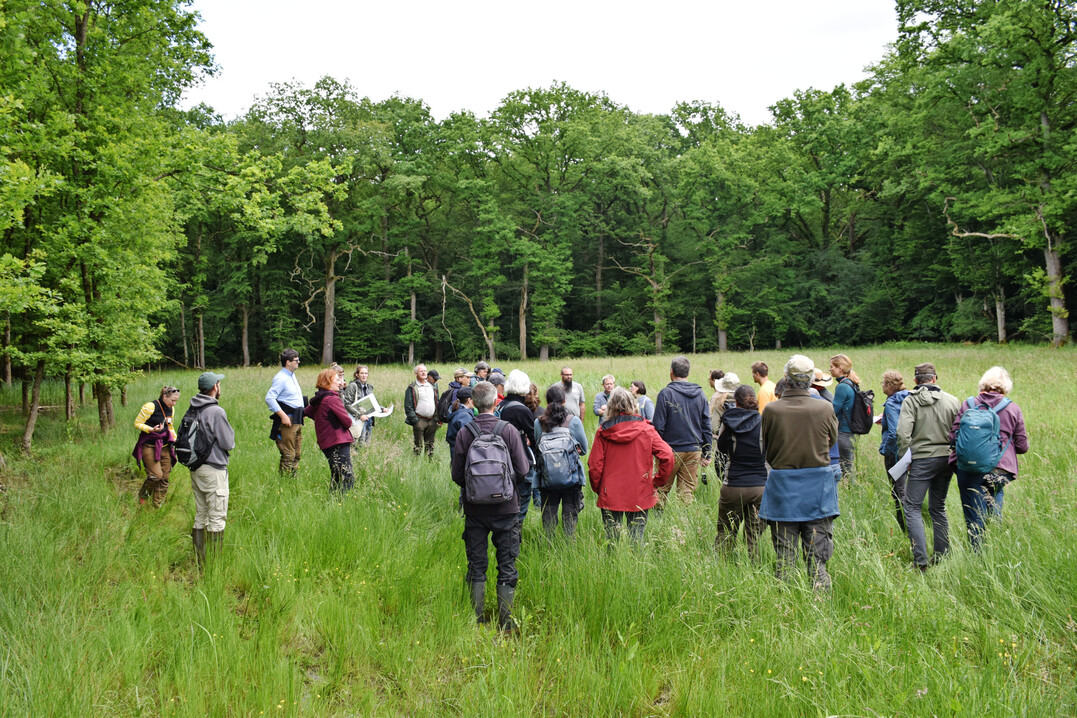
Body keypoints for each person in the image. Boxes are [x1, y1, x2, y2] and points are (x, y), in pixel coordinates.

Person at [451, 381, 529, 631]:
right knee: (507, 565)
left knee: (476, 565)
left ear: (473, 403)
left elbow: (457, 475)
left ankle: (476, 621)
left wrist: (476, 490)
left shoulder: (465, 432)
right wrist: (504, 487)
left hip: (475, 510)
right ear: (496, 401)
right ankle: (506, 622)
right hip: (506, 508)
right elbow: (523, 469)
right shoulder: (508, 431)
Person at [759, 355, 840, 591]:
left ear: (786, 378)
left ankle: (785, 603)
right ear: (811, 379)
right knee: (818, 559)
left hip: (783, 489)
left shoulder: (772, 410)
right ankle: (820, 599)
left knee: (784, 558)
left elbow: (765, 448)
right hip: (818, 490)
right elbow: (832, 440)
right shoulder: (825, 408)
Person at [949, 366, 1028, 550]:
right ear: (1005, 387)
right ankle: (995, 546)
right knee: (995, 495)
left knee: (973, 515)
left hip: (969, 468)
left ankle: (978, 553)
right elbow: (1022, 446)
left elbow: (953, 437)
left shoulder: (968, 405)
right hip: (1000, 469)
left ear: (983, 384)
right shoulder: (1012, 408)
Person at [588, 387, 675, 543]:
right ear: (633, 405)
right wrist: (657, 481)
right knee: (636, 540)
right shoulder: (646, 429)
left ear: (610, 406)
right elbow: (667, 456)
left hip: (611, 492)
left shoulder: (603, 432)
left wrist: (599, 488)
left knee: (612, 541)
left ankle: (613, 560)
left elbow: (595, 466)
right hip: (640, 491)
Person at [896, 362, 960, 571]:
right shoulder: (953, 401)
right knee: (938, 507)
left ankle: (921, 562)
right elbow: (958, 431)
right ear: (935, 378)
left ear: (916, 380)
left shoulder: (910, 401)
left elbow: (902, 434)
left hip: (922, 459)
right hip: (946, 459)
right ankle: (942, 556)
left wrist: (904, 459)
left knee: (912, 507)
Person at [715, 385, 768, 559]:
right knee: (754, 537)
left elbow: (721, 448)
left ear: (736, 402)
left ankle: (723, 566)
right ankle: (754, 568)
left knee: (725, 533)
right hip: (760, 485)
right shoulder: (765, 422)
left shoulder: (729, 422)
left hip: (733, 484)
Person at [189, 372, 235, 568]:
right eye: (219, 383)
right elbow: (228, 443)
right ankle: (213, 566)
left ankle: (200, 561)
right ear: (215, 387)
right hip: (214, 470)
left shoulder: (193, 407)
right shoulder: (216, 411)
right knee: (216, 518)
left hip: (196, 469)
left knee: (201, 514)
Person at [652, 355, 712, 506]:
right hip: (694, 449)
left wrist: (655, 450)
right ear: (688, 373)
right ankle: (685, 518)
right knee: (687, 492)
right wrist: (707, 452)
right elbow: (706, 424)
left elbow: (658, 426)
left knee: (661, 489)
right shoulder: (700, 393)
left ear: (671, 371)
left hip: (670, 450)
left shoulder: (666, 393)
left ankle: (659, 518)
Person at [534, 384, 589, 539]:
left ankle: (549, 545)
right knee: (570, 518)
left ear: (547, 401)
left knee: (549, 519)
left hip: (546, 478)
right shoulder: (574, 421)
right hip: (571, 478)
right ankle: (568, 546)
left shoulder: (538, 422)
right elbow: (584, 449)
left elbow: (538, 446)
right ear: (564, 401)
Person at [304, 368, 355, 493]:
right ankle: (344, 501)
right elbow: (347, 422)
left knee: (336, 475)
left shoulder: (318, 399)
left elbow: (307, 412)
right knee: (346, 476)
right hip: (338, 441)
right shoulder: (332, 399)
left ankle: (333, 499)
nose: (340, 382)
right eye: (337, 380)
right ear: (328, 382)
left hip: (326, 442)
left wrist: (325, 420)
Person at [498, 370, 538, 522]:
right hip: (519, 462)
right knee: (520, 503)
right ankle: (515, 532)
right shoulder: (521, 410)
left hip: (500, 460)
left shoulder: (500, 406)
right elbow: (534, 438)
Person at [133, 385, 180, 507]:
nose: (174, 403)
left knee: (164, 477)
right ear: (164, 396)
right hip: (149, 446)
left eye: (176, 401)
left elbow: (170, 426)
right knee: (156, 476)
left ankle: (157, 505)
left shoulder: (171, 409)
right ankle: (143, 497)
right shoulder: (150, 406)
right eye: (172, 400)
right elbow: (137, 423)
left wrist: (176, 439)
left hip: (165, 446)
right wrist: (151, 429)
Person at [878, 370, 910, 532]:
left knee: (899, 493)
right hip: (912, 450)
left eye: (883, 383)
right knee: (909, 491)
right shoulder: (910, 398)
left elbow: (893, 432)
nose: (882, 386)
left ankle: (906, 529)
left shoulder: (891, 403)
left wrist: (885, 450)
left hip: (896, 453)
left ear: (889, 385)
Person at [265, 349, 304, 475]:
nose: (298, 362)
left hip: (297, 418)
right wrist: (283, 416)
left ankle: (293, 479)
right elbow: (269, 398)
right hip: (288, 420)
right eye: (296, 360)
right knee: (288, 454)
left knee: (296, 454)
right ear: (288, 362)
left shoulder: (291, 376)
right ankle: (285, 481)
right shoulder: (281, 378)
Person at [829, 354, 862, 482]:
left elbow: (833, 410)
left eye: (832, 367)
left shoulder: (842, 386)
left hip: (843, 433)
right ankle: (850, 489)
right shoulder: (852, 383)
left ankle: (850, 489)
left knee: (845, 469)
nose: (830, 369)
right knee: (848, 466)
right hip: (850, 432)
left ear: (840, 368)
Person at [403, 363, 439, 459]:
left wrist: (437, 418)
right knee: (418, 445)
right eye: (421, 371)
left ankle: (429, 463)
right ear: (416, 373)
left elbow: (437, 402)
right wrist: (415, 420)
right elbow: (408, 406)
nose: (423, 373)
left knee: (430, 444)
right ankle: (416, 462)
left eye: (425, 371)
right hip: (419, 420)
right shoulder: (412, 387)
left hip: (432, 420)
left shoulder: (432, 386)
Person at [709, 371, 739, 483]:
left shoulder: (719, 403)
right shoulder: (744, 401)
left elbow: (714, 427)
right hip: (741, 447)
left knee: (721, 479)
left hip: (722, 447)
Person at [342, 365, 375, 448]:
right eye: (362, 373)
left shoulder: (369, 387)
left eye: (366, 373)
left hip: (369, 418)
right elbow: (347, 404)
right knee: (358, 445)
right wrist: (359, 415)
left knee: (366, 445)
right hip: (358, 419)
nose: (364, 375)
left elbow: (372, 403)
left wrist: (382, 409)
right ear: (357, 375)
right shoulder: (353, 386)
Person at [444, 386, 475, 456]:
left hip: (455, 449)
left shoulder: (456, 409)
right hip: (461, 452)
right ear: (469, 400)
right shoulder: (464, 416)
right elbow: (467, 438)